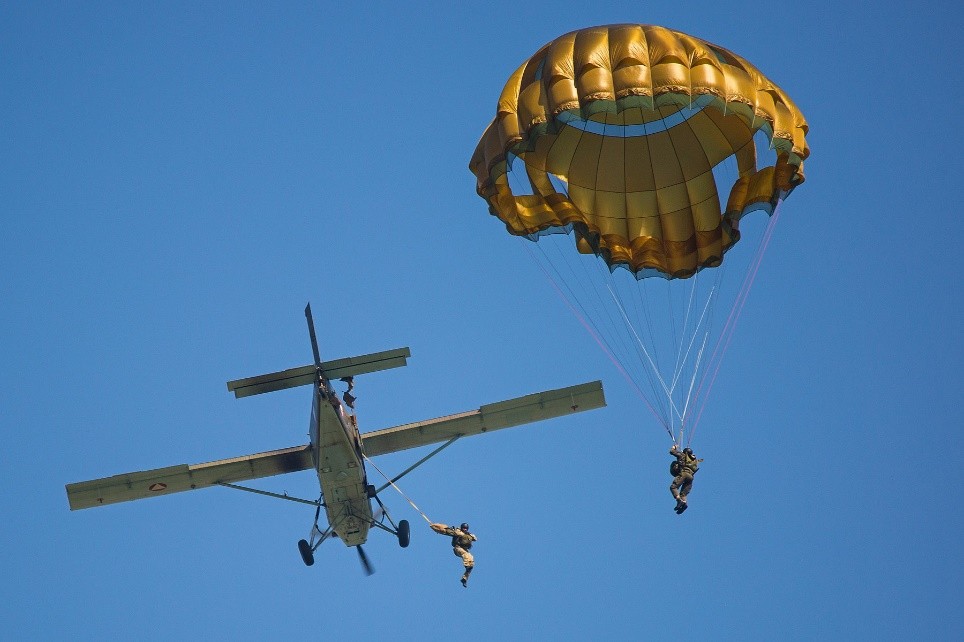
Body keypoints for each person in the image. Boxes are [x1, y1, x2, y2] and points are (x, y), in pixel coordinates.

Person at [431, 522, 477, 587]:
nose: (465, 529)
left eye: (466, 528)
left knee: (471, 562)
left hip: (465, 549)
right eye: (464, 528)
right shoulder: (458, 532)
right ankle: (467, 565)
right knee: (465, 555)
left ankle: (464, 578)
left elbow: (474, 538)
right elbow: (445, 530)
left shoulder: (469, 535)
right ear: (461, 528)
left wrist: (471, 536)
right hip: (458, 548)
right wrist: (434, 526)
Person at [670, 445, 702, 514]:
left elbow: (672, 452)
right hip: (691, 477)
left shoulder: (682, 455)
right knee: (683, 494)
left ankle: (679, 501)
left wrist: (674, 447)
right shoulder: (694, 460)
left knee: (673, 487)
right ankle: (684, 503)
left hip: (684, 474)